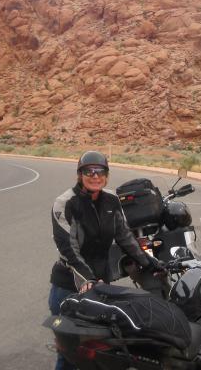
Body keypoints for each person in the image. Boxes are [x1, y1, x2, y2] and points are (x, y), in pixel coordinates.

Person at [48, 150, 163, 370]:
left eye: (100, 171)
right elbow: (68, 249)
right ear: (79, 175)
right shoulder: (65, 203)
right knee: (70, 353)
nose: (95, 176)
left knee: (97, 351)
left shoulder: (111, 200)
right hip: (69, 286)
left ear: (107, 175)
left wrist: (149, 262)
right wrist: (89, 279)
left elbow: (125, 237)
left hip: (101, 286)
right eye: (88, 171)